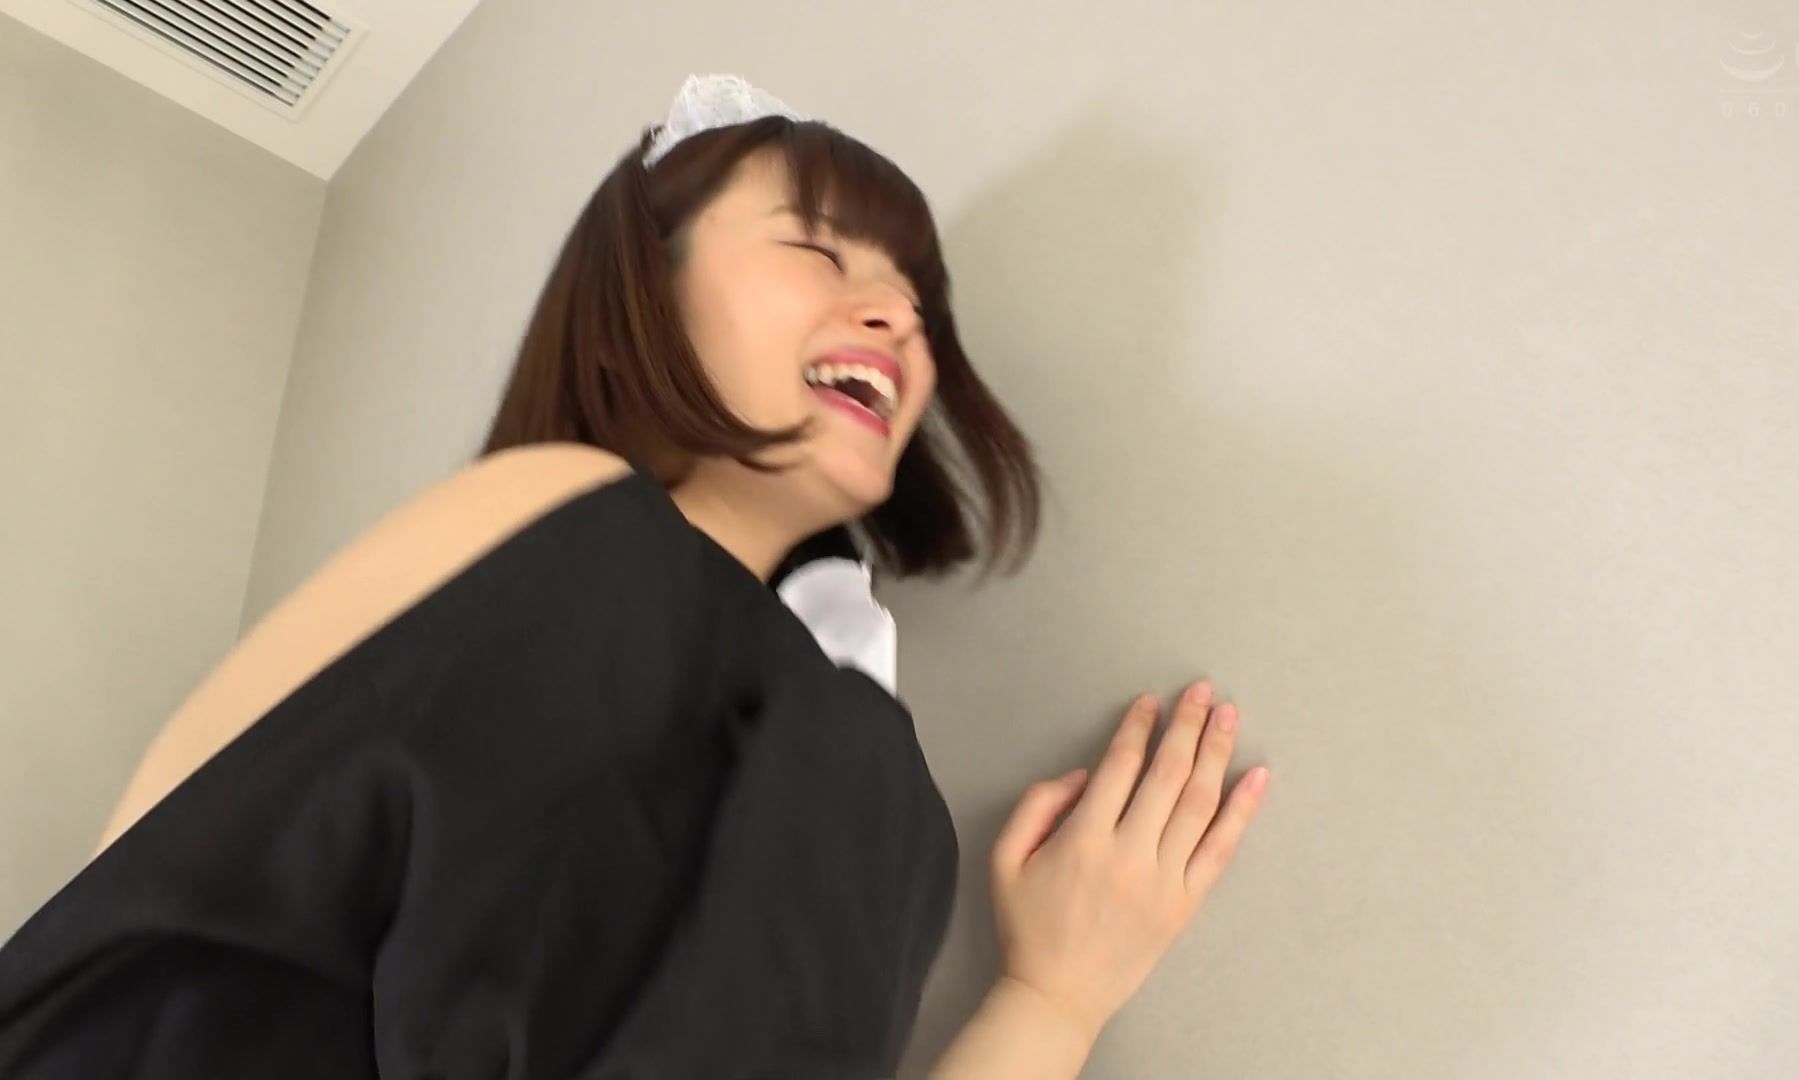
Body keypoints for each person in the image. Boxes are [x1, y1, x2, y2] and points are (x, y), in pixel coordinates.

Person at [0, 74, 1269, 1077]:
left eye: (917, 300)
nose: (896, 315)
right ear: (645, 296)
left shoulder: (828, 729)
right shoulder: (576, 538)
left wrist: (1053, 996)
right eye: (820, 248)